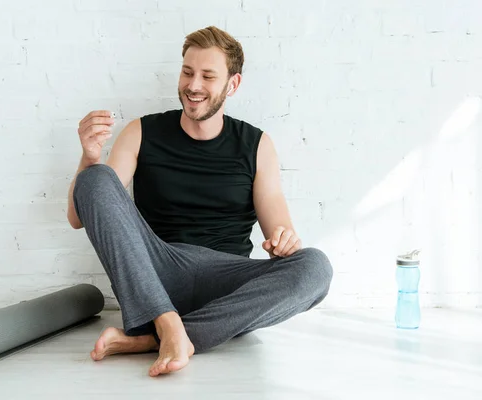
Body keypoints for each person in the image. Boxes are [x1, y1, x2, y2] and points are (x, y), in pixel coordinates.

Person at [66, 26, 333, 377]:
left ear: (232, 85)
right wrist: (88, 158)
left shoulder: (256, 145)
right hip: (155, 268)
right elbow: (80, 215)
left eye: (208, 76)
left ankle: (156, 337)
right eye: (187, 72)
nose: (193, 86)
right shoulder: (141, 132)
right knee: (96, 177)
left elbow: (280, 233)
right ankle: (165, 321)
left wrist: (284, 241)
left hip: (224, 281)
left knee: (316, 267)